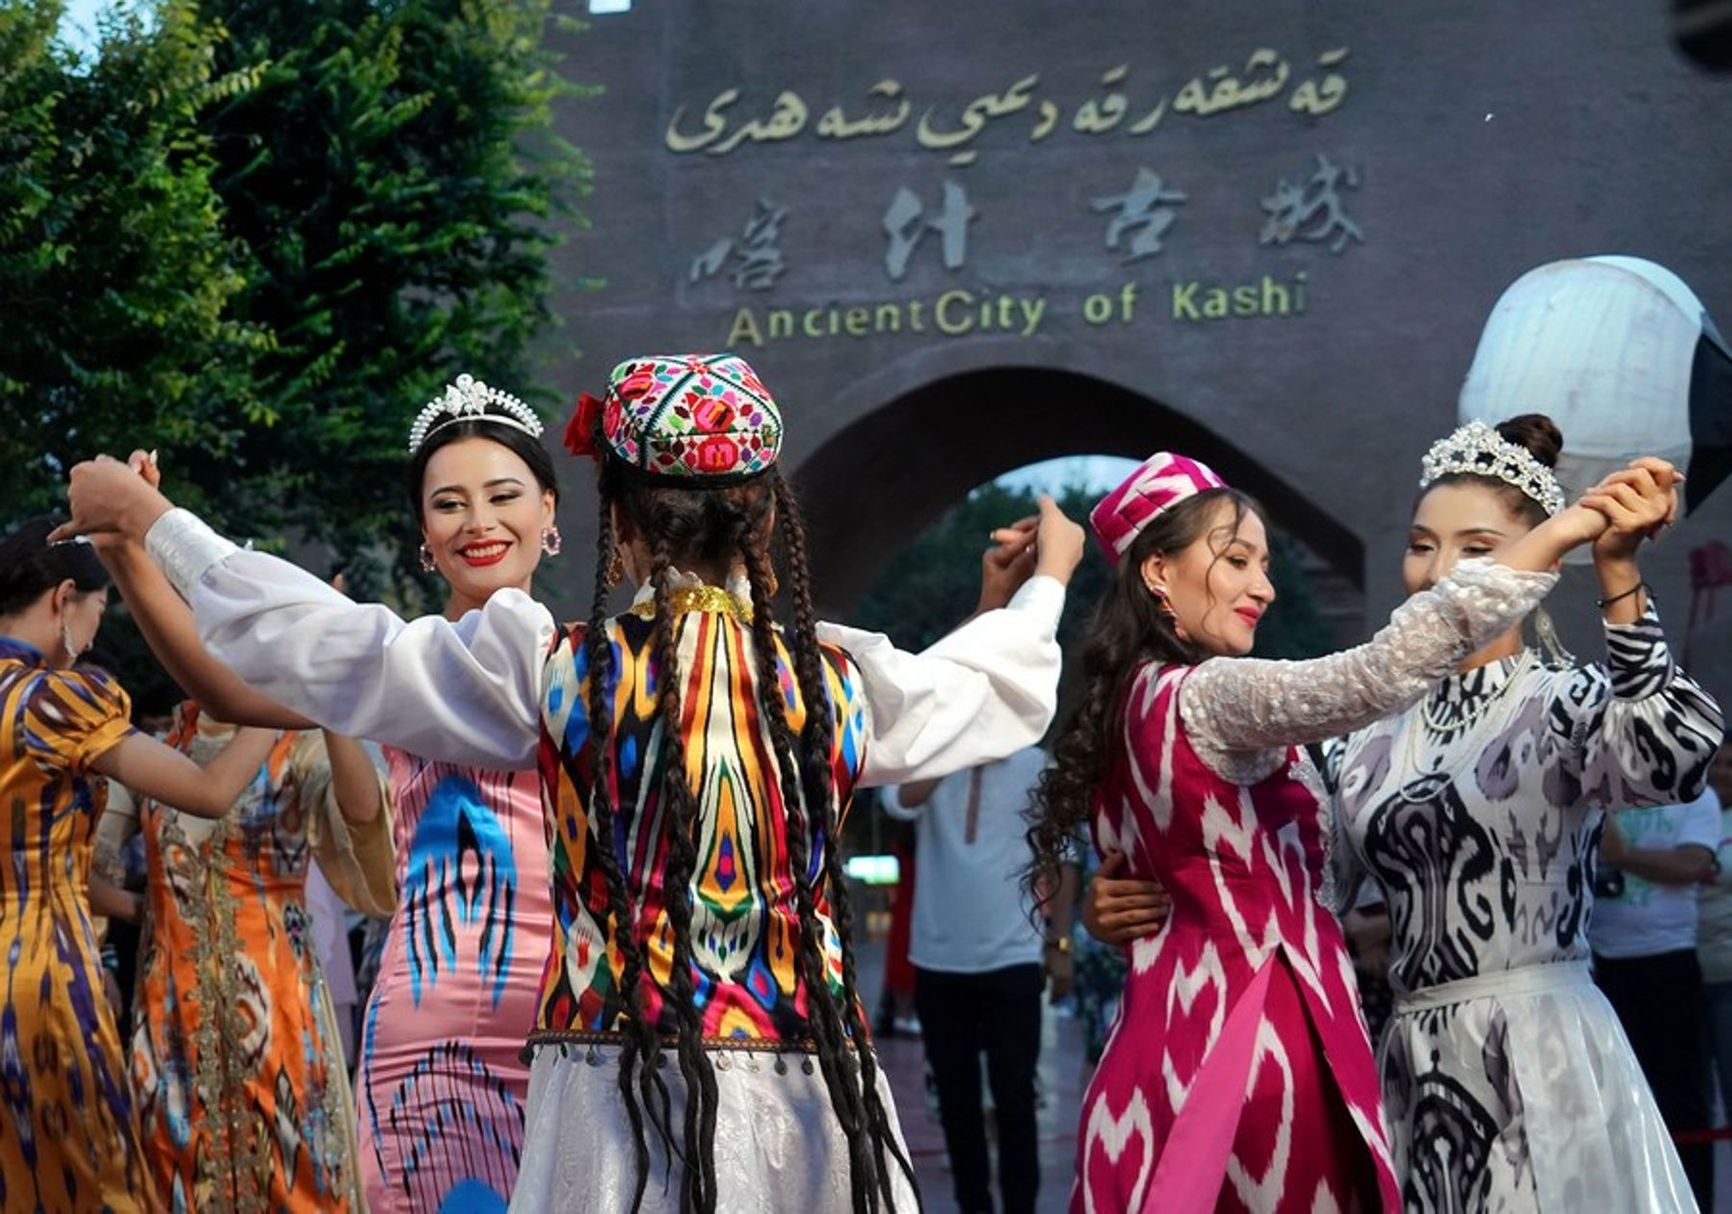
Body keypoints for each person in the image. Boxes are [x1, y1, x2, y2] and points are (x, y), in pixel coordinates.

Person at [55, 350, 1084, 1212]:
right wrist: (1043, 585)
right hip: (811, 1091)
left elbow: (334, 645)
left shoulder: (553, 667)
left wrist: (162, 523)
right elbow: (992, 685)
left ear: (616, 523)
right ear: (766, 522)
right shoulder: (840, 681)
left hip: (614, 1086)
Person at [1079, 419, 1718, 1211]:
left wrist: (1617, 573)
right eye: (1423, 546)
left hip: (1540, 1053)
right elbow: (1305, 889)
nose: (1442, 573)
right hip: (1404, 1059)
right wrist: (1145, 900)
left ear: (1534, 565)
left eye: (1477, 551)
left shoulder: (1560, 701)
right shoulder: (1367, 740)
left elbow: (1673, 758)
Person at [93, 378, 566, 1212]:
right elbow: (226, 689)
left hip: (569, 1026)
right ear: (425, 534)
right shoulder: (400, 667)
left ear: (550, 512)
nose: (479, 522)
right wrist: (128, 551)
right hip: (424, 1033)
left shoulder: (595, 665)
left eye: (503, 496)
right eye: (449, 503)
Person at [0, 517, 276, 1212]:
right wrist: (277, 712)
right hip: (43, 962)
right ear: (66, 598)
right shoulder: (55, 701)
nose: (94, 631)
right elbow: (207, 793)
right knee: (91, 1180)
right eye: (97, 610)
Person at [118, 699, 395, 1212]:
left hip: (279, 1017)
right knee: (174, 1177)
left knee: (297, 1182)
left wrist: (329, 700)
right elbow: (90, 864)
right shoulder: (161, 750)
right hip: (171, 1013)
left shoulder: (298, 745)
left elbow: (364, 825)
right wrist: (160, 907)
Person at [886, 746, 1052, 1214]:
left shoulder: (1035, 763)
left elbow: (1058, 855)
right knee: (957, 1108)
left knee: (1015, 1102)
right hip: (939, 959)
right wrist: (953, 750)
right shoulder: (933, 758)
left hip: (1015, 956)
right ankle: (972, 1206)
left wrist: (1059, 946)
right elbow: (897, 801)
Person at [1590, 787, 1721, 1207]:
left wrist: (1623, 855)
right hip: (1596, 968)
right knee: (1613, 1104)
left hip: (1668, 962)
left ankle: (1692, 1201)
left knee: (1680, 1101)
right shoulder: (1599, 794)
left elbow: (1691, 865)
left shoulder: (1698, 797)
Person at [1697, 747, 1732, 1128]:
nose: (1721, 772)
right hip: (1685, 974)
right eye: (1715, 764)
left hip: (1729, 978)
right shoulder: (1686, 810)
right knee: (1694, 1101)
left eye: (1731, 765)